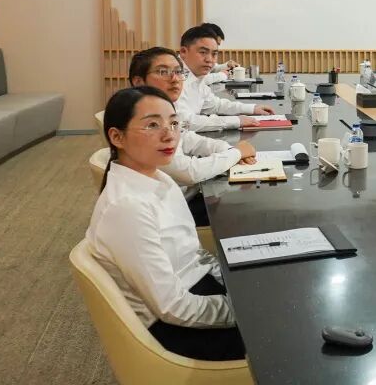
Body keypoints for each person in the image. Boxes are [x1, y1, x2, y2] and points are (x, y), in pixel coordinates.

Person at [86, 86, 245, 361]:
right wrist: (244, 310)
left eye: (173, 123)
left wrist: (233, 285)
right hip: (179, 329)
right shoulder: (127, 207)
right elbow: (173, 307)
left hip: (198, 291)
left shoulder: (158, 177)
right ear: (117, 137)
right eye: (152, 125)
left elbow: (193, 254)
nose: (169, 134)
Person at [129, 47, 257, 225]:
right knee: (246, 214)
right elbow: (188, 172)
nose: (174, 79)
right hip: (166, 214)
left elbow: (188, 139)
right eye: (163, 72)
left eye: (178, 72)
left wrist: (227, 148)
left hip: (181, 197)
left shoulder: (163, 109)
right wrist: (236, 153)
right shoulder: (141, 121)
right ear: (138, 81)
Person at [176, 25, 272, 132]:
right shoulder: (173, 78)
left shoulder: (197, 77)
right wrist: (236, 121)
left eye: (214, 54)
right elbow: (184, 123)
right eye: (203, 52)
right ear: (183, 52)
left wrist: (252, 108)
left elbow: (215, 105)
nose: (209, 60)